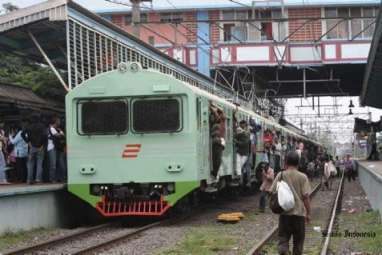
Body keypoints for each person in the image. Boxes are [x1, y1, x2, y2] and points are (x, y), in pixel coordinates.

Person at [271, 151, 311, 255]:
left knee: (283, 239)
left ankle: (284, 250)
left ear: (286, 162)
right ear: (298, 163)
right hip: (299, 216)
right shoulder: (303, 177)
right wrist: (308, 213)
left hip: (284, 215)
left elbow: (272, 191)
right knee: (298, 243)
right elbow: (306, 197)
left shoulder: (281, 175)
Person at [23, 115, 48, 184]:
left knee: (30, 164)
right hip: (40, 147)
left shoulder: (29, 126)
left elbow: (22, 134)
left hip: (32, 147)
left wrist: (28, 142)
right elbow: (45, 136)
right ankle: (38, 179)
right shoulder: (42, 126)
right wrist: (43, 145)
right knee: (39, 164)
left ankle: (29, 180)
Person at [47, 116, 66, 183]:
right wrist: (61, 133)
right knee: (53, 164)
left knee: (57, 164)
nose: (59, 122)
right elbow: (58, 135)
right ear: (55, 122)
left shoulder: (56, 129)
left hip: (56, 147)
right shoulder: (52, 128)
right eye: (58, 121)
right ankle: (52, 179)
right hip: (52, 147)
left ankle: (57, 178)